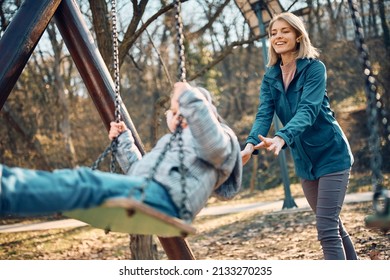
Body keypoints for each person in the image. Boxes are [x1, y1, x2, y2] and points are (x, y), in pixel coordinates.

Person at [0, 82, 242, 222]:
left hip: (164, 201)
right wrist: (124, 141)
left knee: (81, 183)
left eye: (190, 110)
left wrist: (187, 96)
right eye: (175, 112)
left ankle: (6, 188)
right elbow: (137, 170)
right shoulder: (171, 144)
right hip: (147, 194)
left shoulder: (223, 140)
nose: (182, 115)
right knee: (74, 187)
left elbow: (213, 144)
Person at [241, 12, 358, 260]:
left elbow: (309, 109)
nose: (278, 36)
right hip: (306, 162)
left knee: (326, 229)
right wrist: (250, 145)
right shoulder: (271, 76)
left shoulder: (315, 69)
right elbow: (264, 114)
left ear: (297, 36)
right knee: (333, 225)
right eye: (273, 33)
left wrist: (281, 137)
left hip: (331, 154)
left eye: (285, 31)